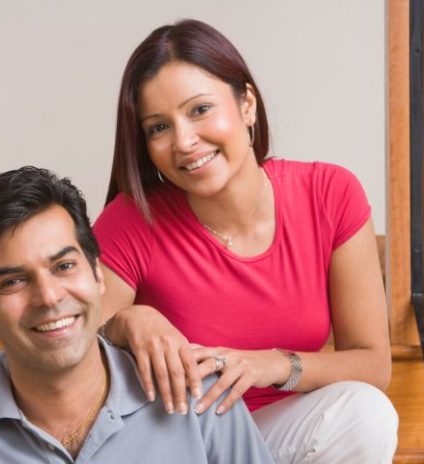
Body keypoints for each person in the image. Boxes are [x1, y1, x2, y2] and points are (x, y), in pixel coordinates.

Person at [94, 19, 399, 463]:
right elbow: (75, 355)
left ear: (247, 105)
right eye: (158, 127)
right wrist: (127, 322)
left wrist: (273, 364)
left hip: (286, 431)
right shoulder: (130, 219)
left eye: (199, 110)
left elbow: (372, 365)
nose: (184, 141)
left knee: (366, 415)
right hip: (182, 438)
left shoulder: (330, 193)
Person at [0, 166, 274, 463]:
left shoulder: (199, 398)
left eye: (64, 267)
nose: (48, 297)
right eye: (14, 281)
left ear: (98, 274)